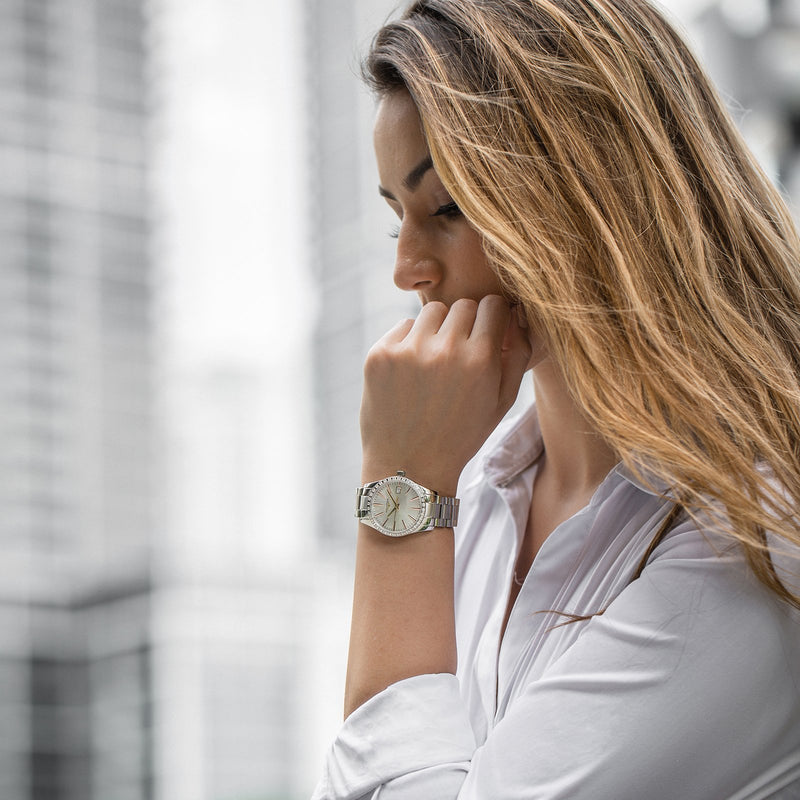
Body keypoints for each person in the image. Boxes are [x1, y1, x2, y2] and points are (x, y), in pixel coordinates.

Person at [312, 0, 800, 797]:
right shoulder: (484, 497)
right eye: (396, 216)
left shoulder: (754, 533)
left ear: (589, 192)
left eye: (448, 208)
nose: (407, 269)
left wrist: (398, 494)